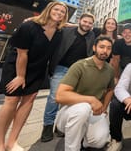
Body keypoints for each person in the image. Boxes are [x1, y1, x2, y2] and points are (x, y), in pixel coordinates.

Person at [0, 1, 68, 151]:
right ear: (49, 10)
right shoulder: (29, 26)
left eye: (62, 12)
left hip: (37, 69)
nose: (59, 13)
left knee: (28, 102)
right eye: (56, 9)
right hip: (17, 67)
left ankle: (12, 141)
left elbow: (72, 25)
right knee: (11, 102)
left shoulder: (59, 31)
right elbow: (22, 54)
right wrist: (20, 76)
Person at [40, 13, 96, 142]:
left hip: (78, 72)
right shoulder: (66, 31)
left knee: (69, 99)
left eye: (89, 23)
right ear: (79, 21)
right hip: (61, 68)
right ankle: (47, 126)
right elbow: (54, 23)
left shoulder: (92, 35)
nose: (87, 24)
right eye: (85, 21)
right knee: (54, 97)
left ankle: (60, 125)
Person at [55, 36, 115, 151]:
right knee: (83, 108)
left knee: (99, 141)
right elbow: (60, 95)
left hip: (94, 113)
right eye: (101, 47)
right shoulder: (80, 65)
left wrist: (104, 108)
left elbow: (110, 89)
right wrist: (91, 99)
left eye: (108, 48)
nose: (105, 51)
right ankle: (72, 148)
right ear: (94, 48)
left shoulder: (110, 70)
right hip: (70, 112)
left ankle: (82, 136)